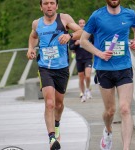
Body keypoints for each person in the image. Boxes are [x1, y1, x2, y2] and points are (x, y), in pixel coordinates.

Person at [80, 0, 135, 150]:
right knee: (110, 111)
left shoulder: (129, 14)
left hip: (124, 67)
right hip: (104, 69)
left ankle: (126, 148)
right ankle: (108, 130)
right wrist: (100, 53)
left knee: (125, 108)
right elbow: (83, 41)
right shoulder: (97, 16)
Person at [26, 0, 82, 149]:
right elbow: (33, 36)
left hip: (62, 68)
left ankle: (57, 125)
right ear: (41, 6)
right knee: (49, 103)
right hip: (45, 68)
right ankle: (52, 138)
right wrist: (30, 48)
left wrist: (70, 36)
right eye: (45, 3)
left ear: (56, 6)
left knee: (58, 104)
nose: (49, 6)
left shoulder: (64, 19)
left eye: (52, 3)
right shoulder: (37, 23)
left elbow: (81, 31)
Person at [69, 18, 93, 103]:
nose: (82, 24)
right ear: (78, 25)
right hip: (79, 58)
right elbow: (70, 47)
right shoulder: (74, 35)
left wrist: (86, 43)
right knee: (81, 77)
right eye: (80, 23)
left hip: (88, 57)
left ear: (85, 24)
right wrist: (76, 43)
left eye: (83, 23)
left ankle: (88, 89)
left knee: (88, 75)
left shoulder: (89, 34)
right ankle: (82, 93)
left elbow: (94, 44)